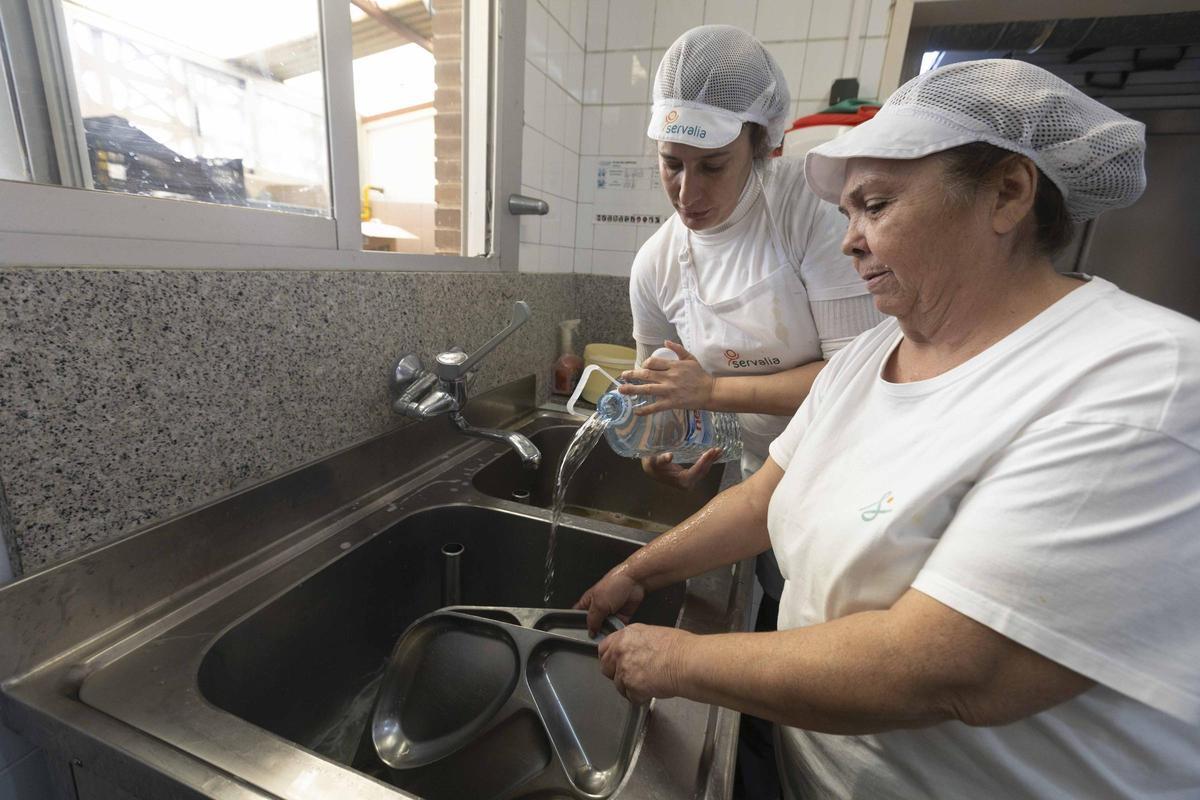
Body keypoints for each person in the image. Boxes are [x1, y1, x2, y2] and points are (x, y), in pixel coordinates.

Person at [577, 58, 1200, 798]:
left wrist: (679, 661)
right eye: (847, 213)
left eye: (874, 205)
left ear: (1006, 195)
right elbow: (765, 497)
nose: (849, 240)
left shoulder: (1143, 380)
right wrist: (640, 570)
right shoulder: (877, 350)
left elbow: (946, 669)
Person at [620, 27, 883, 796]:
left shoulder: (809, 209)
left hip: (846, 473)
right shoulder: (656, 263)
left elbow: (857, 376)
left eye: (712, 166)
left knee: (833, 641)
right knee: (777, 618)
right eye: (672, 164)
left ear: (763, 146)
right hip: (758, 476)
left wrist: (712, 394)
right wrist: (659, 446)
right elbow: (662, 387)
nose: (687, 192)